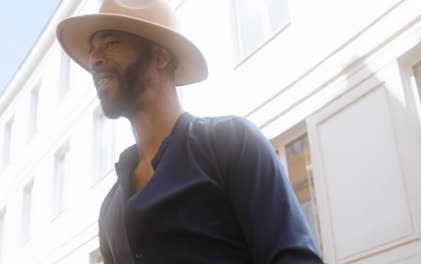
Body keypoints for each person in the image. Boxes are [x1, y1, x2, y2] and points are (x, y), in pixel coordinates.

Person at [56, 0, 324, 263]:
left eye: (111, 43)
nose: (94, 59)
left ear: (161, 56)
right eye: (92, 50)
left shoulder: (230, 143)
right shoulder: (110, 208)